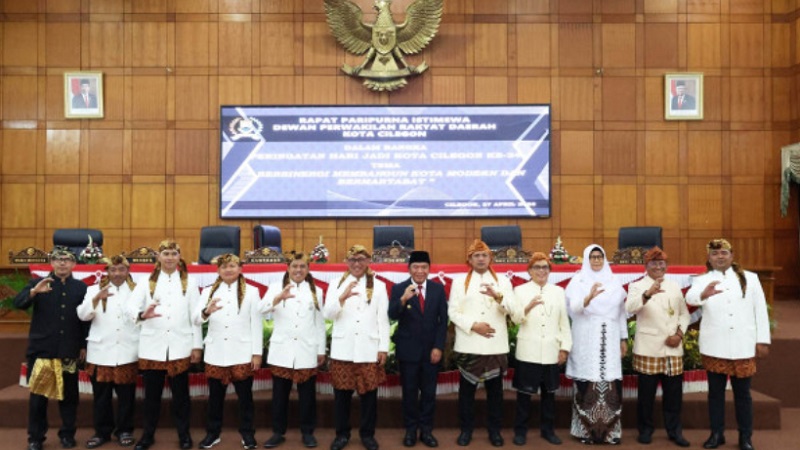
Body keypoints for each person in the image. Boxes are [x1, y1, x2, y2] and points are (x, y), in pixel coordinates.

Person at [686, 239, 771, 450]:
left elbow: (760, 311)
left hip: (743, 345)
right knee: (715, 394)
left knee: (743, 394)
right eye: (715, 254)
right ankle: (716, 434)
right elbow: (690, 297)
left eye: (724, 253)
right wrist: (703, 294)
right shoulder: (701, 280)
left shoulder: (750, 279)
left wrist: (762, 340)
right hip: (714, 346)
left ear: (732, 255)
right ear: (709, 258)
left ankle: (745, 437)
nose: (720, 257)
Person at [129, 240, 202, 450]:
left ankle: (184, 435)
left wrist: (196, 346)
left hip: (180, 346)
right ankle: (147, 435)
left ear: (179, 257)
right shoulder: (145, 282)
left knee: (181, 397)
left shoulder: (190, 281)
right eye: (166, 254)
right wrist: (143, 315)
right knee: (151, 397)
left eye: (173, 253)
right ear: (158, 257)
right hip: (153, 346)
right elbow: (130, 309)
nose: (170, 257)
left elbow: (195, 317)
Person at [14, 246, 89, 450]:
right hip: (43, 350)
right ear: (52, 263)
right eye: (58, 259)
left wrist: (83, 345)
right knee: (38, 398)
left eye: (67, 260)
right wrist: (33, 292)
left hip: (69, 350)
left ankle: (67, 434)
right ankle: (36, 438)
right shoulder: (37, 283)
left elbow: (85, 320)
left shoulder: (81, 288)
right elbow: (18, 303)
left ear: (74, 264)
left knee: (69, 396)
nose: (62, 263)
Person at [448, 239, 518, 447]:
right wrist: (473, 325)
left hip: (494, 345)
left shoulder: (503, 281)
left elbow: (512, 311)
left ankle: (495, 431)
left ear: (490, 258)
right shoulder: (459, 281)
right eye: (476, 256)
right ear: (469, 259)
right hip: (469, 342)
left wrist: (498, 297)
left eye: (484, 255)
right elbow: (453, 311)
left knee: (495, 393)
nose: (480, 259)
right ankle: (466, 431)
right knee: (466, 393)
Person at [323, 245, 390, 450]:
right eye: (352, 260)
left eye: (361, 259)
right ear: (346, 262)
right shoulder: (335, 284)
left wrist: (383, 348)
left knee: (369, 397)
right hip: (343, 348)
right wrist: (341, 297)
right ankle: (342, 435)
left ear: (369, 262)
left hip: (368, 349)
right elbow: (327, 314)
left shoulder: (378, 286)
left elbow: (382, 320)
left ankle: (367, 435)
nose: (357, 264)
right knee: (341, 397)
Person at [194, 254, 262, 449]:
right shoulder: (208, 291)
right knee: (215, 398)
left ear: (240, 268)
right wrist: (207, 311)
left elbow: (256, 323)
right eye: (224, 267)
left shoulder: (251, 291)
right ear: (218, 270)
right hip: (216, 351)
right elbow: (196, 319)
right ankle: (213, 433)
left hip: (241, 351)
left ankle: (248, 434)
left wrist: (256, 353)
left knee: (245, 399)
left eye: (232, 266)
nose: (228, 270)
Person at [625, 247, 691, 447]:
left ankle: (674, 431)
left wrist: (679, 334)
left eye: (662, 264)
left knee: (674, 396)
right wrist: (648, 293)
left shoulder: (674, 286)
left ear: (666, 266)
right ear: (646, 266)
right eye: (654, 264)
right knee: (646, 396)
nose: (658, 267)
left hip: (672, 348)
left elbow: (684, 314)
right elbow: (630, 308)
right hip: (649, 347)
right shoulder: (637, 286)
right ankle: (645, 430)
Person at [262, 252, 327, 449]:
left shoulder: (316, 291)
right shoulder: (275, 287)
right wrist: (277, 298)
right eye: (294, 266)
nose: (298, 270)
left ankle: (308, 432)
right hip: (282, 349)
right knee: (279, 396)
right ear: (288, 268)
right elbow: (261, 309)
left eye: (302, 267)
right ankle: (277, 432)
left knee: (307, 396)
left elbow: (320, 323)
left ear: (308, 269)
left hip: (307, 349)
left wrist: (321, 348)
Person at [565, 244, 627, 445]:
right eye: (592, 257)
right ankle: (585, 432)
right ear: (586, 259)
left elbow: (621, 314)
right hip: (586, 334)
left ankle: (610, 433)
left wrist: (623, 339)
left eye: (600, 256)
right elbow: (573, 309)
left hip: (610, 335)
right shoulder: (578, 280)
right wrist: (588, 298)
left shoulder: (614, 281)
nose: (597, 260)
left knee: (610, 382)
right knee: (586, 381)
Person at [76, 255, 140, 449]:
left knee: (126, 396)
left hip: (128, 350)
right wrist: (96, 299)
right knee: (101, 396)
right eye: (113, 270)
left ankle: (125, 430)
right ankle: (102, 432)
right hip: (101, 351)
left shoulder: (137, 291)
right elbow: (82, 315)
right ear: (107, 271)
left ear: (128, 271)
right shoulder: (93, 289)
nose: (117, 274)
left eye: (121, 270)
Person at [388, 250, 448, 448]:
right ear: (409, 269)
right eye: (416, 267)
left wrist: (439, 346)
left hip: (431, 352)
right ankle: (411, 431)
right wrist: (403, 299)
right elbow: (392, 315)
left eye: (424, 267)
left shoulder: (438, 289)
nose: (420, 271)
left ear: (429, 269)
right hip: (408, 352)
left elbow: (442, 322)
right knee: (410, 394)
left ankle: (427, 431)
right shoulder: (399, 288)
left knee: (429, 394)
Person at [510, 252, 571, 447]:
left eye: (545, 267)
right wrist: (527, 307)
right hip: (528, 350)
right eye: (537, 267)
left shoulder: (558, 291)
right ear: (529, 270)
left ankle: (548, 430)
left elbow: (564, 323)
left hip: (551, 351)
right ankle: (520, 432)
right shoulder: (519, 290)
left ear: (550, 271)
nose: (541, 271)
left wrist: (565, 348)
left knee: (549, 395)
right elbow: (515, 320)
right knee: (524, 395)